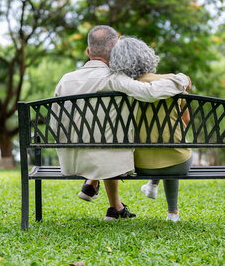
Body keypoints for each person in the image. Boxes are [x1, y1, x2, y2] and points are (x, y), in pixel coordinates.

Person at [52, 25, 191, 221]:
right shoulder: (114, 79)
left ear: (88, 52)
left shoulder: (65, 80)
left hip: (71, 160)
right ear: (116, 52)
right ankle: (100, 190)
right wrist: (181, 80)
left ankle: (98, 189)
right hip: (106, 159)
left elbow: (55, 123)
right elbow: (150, 92)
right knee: (110, 136)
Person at [109, 36, 192, 222]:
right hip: (178, 161)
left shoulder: (122, 89)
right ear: (147, 56)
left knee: (161, 150)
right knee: (172, 149)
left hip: (139, 164)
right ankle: (173, 213)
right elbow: (186, 121)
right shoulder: (173, 82)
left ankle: (152, 185)